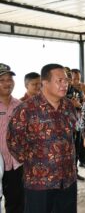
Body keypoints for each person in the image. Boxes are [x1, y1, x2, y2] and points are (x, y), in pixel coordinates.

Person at [7, 63, 78, 213]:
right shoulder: (27, 109)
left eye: (66, 80)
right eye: (60, 80)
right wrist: (33, 162)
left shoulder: (68, 106)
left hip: (68, 180)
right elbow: (13, 141)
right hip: (40, 183)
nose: (65, 84)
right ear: (45, 83)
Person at [0, 63, 24, 213]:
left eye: (10, 79)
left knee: (17, 203)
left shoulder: (20, 105)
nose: (8, 83)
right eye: (2, 80)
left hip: (17, 165)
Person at [65, 67, 85, 174]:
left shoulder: (78, 90)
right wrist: (70, 103)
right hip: (63, 127)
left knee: (77, 148)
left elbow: (84, 101)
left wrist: (79, 104)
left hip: (76, 124)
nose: (69, 80)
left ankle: (75, 172)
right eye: (67, 77)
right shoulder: (57, 92)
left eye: (69, 77)